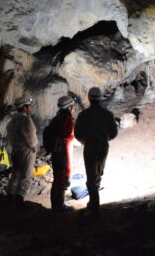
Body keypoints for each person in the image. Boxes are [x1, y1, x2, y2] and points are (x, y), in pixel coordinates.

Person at [74, 87, 118, 218]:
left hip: (90, 147)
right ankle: (93, 203)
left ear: (89, 98)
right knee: (98, 173)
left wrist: (85, 141)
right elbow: (114, 133)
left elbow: (77, 134)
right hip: (103, 147)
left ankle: (95, 209)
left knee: (91, 177)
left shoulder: (83, 115)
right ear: (100, 98)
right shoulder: (108, 114)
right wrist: (104, 138)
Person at [6, 95, 37, 204]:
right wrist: (33, 147)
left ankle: (9, 195)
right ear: (24, 107)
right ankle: (20, 199)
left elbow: (10, 135)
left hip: (15, 150)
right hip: (26, 151)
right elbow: (30, 136)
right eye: (28, 106)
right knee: (25, 175)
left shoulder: (12, 120)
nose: (30, 108)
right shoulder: (26, 120)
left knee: (15, 174)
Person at [49, 95, 75, 213]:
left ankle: (56, 205)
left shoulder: (56, 118)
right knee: (61, 176)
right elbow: (67, 135)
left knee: (57, 177)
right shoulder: (66, 118)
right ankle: (59, 206)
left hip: (56, 151)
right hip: (62, 151)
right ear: (69, 106)